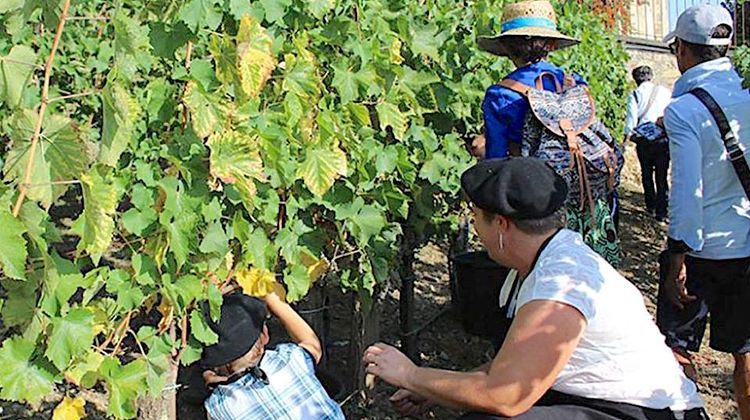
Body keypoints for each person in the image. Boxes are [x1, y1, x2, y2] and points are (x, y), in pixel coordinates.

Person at [364, 157, 706, 419]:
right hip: (596, 403)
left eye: (475, 217)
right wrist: (435, 388)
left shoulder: (561, 284)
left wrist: (411, 374)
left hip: (643, 413)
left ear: (501, 224)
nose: (475, 232)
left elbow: (508, 393)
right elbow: (513, 365)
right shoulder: (541, 261)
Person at [474, 0, 622, 266]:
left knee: (546, 275)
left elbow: (496, 163)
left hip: (537, 206)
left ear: (507, 47)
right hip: (588, 198)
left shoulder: (500, 95)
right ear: (552, 45)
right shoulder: (574, 82)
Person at [659, 4, 750, 419]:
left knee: (677, 351)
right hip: (746, 245)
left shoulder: (684, 110)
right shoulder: (748, 95)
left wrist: (678, 251)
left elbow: (686, 191)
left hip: (701, 252)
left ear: (681, 49)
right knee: (746, 351)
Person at [201, 291, 345, 420]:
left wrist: (211, 379)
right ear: (264, 335)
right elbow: (312, 344)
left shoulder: (218, 406)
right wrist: (273, 299)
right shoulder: (288, 359)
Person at [624, 65, 672, 221]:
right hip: (662, 137)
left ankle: (650, 206)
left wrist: (627, 137)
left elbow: (631, 118)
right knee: (662, 174)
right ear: (650, 77)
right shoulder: (664, 92)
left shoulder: (635, 94)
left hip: (644, 139)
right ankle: (662, 211)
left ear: (635, 79)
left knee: (646, 172)